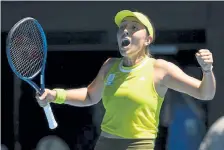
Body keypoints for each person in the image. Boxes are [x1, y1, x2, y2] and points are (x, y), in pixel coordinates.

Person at [36, 10, 216, 150]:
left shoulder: (160, 69)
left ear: (148, 39)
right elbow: (90, 96)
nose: (125, 32)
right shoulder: (110, 66)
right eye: (122, 28)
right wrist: (55, 95)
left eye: (134, 28)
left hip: (139, 145)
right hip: (105, 143)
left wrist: (207, 71)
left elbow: (205, 93)